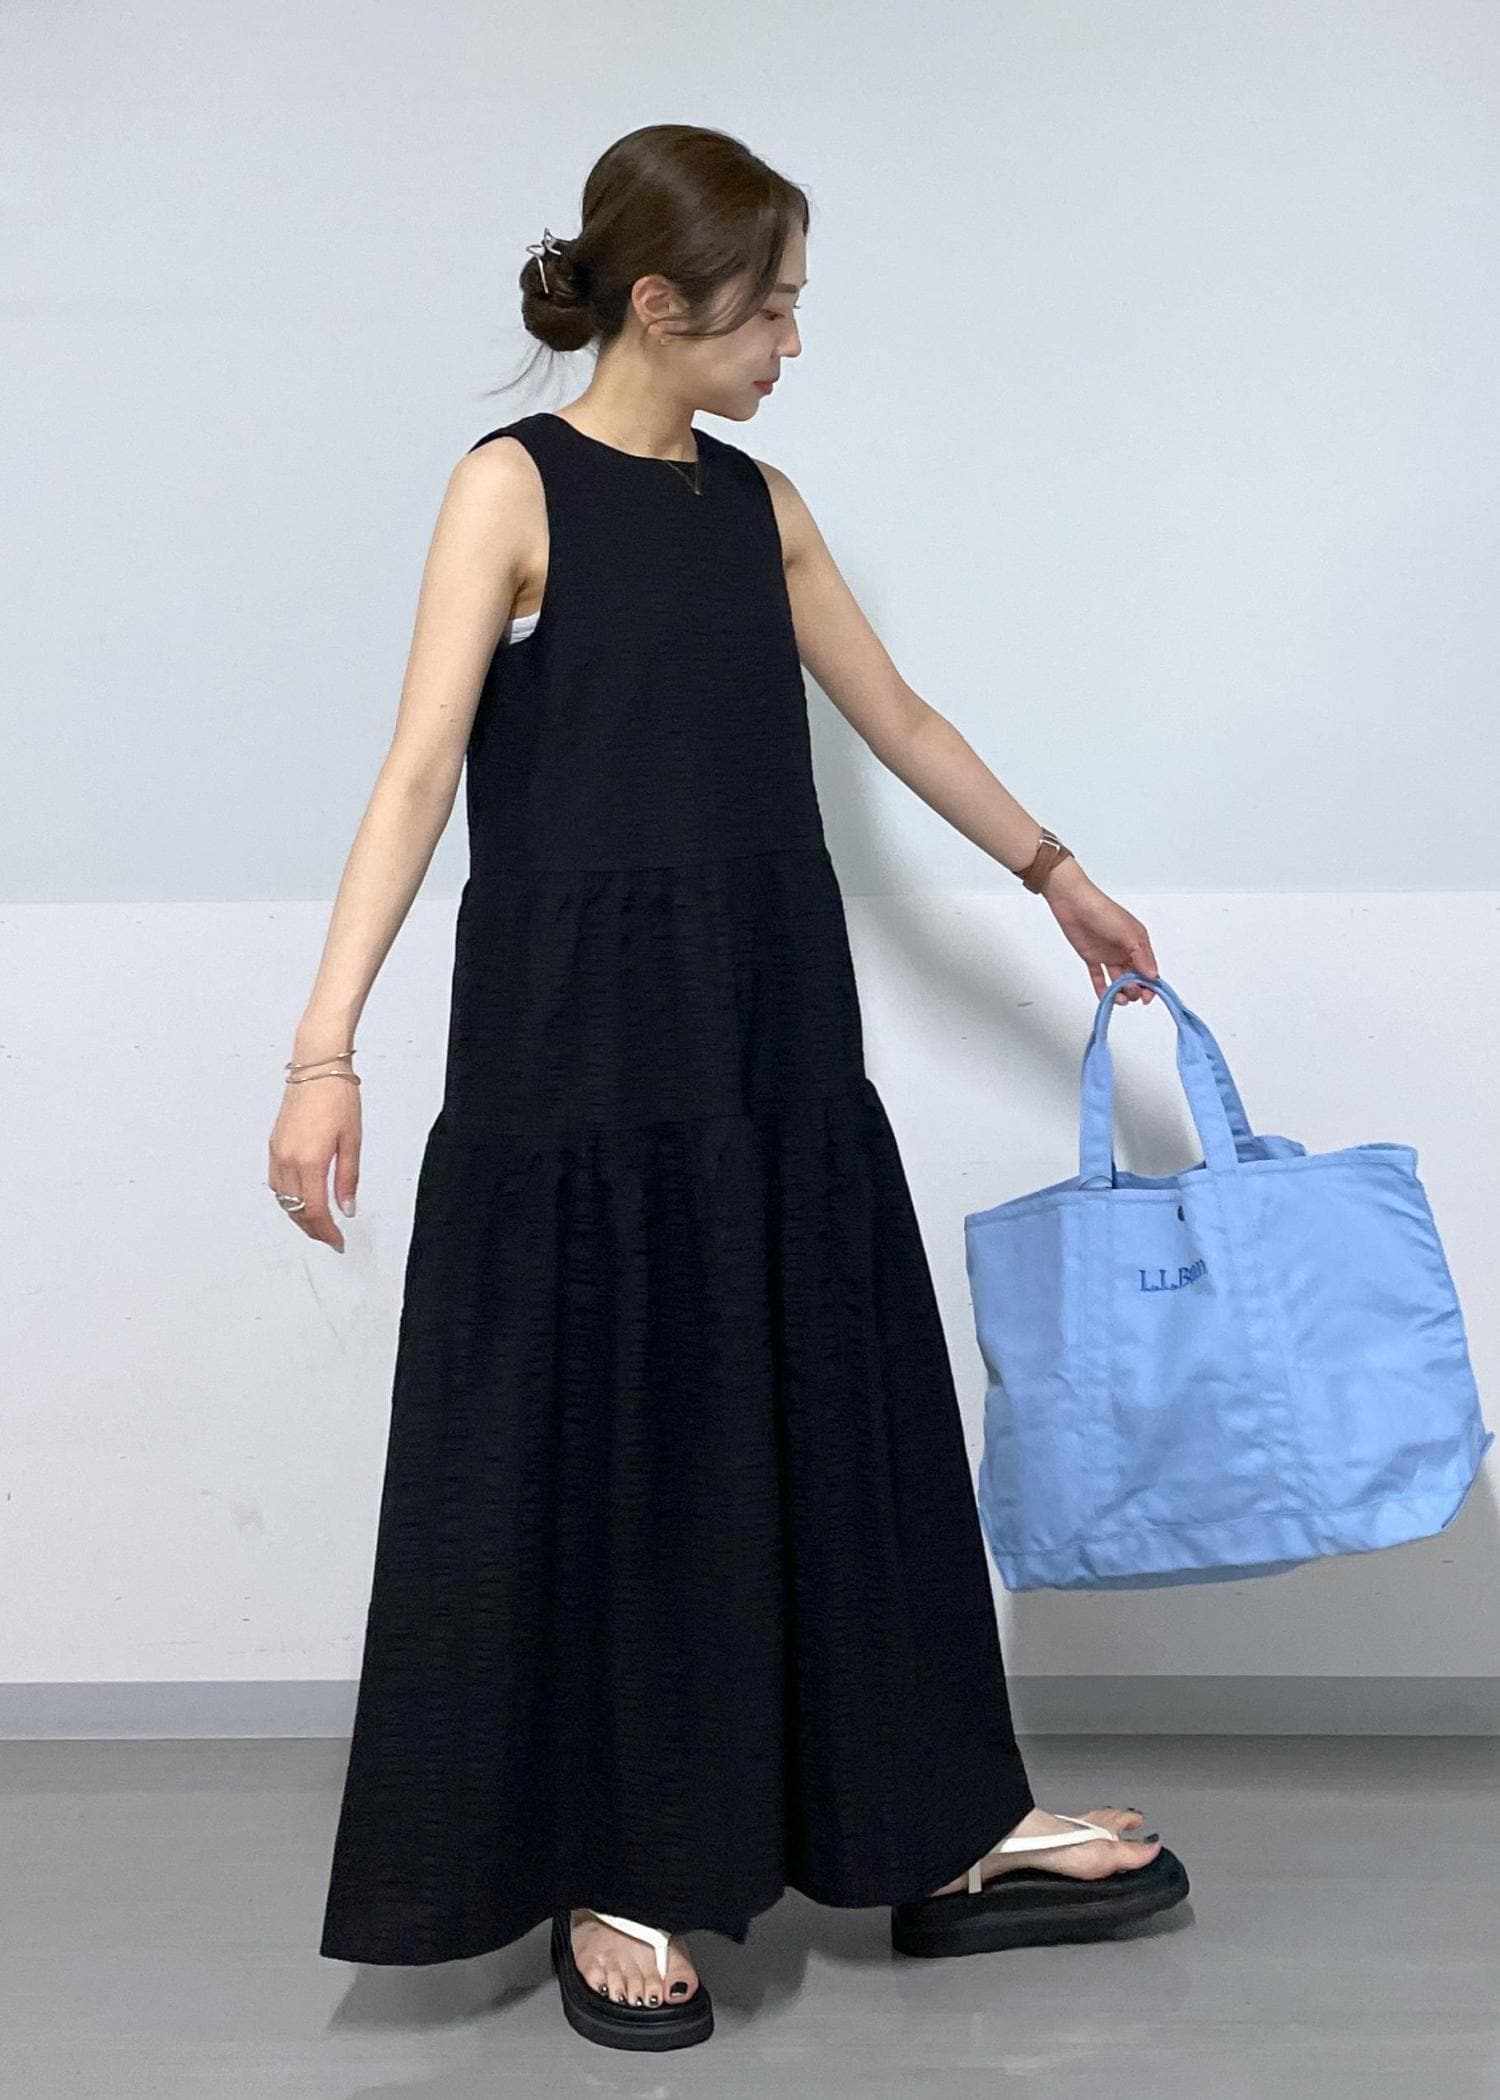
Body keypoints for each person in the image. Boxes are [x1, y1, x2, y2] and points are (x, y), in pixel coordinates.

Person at [276, 122, 1188, 2055]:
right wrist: (323, 1050)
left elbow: (899, 716)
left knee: (832, 1400)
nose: (793, 343)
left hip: (767, 1016)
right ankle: (616, 1854)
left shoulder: (762, 505)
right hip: (578, 1040)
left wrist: (1057, 876)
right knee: (614, 1416)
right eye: (772, 309)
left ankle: (935, 1822)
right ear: (661, 303)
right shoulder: (508, 488)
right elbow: (418, 773)